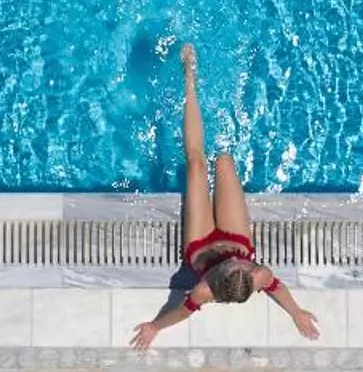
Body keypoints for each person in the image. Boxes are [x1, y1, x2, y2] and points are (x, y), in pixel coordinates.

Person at [130, 44, 321, 349]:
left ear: (217, 276)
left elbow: (180, 312)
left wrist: (155, 326)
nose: (236, 259)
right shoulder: (258, 276)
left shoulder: (203, 290)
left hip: (200, 243)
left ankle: (189, 78)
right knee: (223, 161)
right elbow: (277, 288)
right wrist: (296, 313)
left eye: (232, 265)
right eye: (245, 265)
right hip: (236, 234)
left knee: (196, 163)